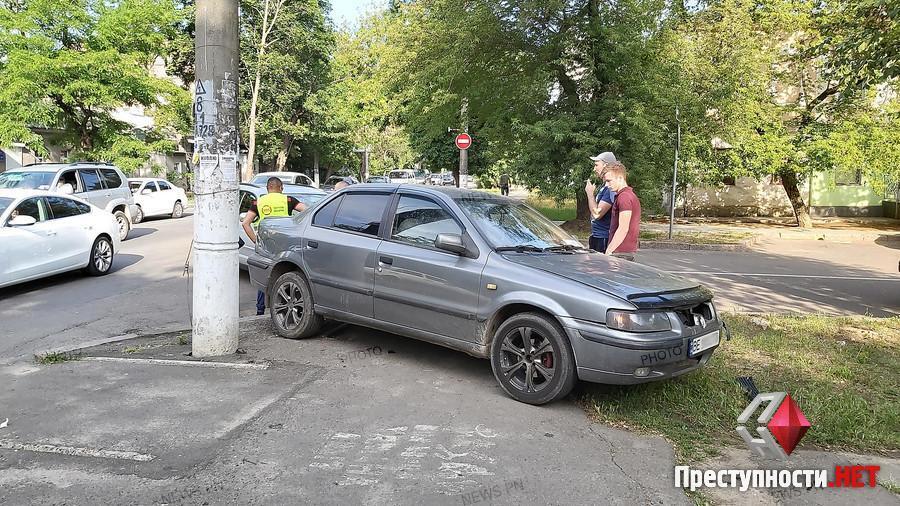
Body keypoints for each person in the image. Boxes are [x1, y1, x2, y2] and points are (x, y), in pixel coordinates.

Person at [241, 177, 308, 315]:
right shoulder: (288, 200)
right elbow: (307, 211)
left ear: (267, 188)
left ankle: (260, 310)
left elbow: (245, 223)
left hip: (265, 245)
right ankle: (285, 307)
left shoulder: (258, 202)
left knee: (263, 274)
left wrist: (256, 241)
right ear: (281, 187)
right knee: (285, 274)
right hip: (285, 244)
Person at [603, 162, 641, 260]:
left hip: (620, 253)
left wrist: (609, 251)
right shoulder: (628, 195)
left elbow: (623, 228)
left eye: (609, 181)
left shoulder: (624, 197)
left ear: (620, 178)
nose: (606, 185)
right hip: (624, 252)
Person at [584, 152, 618, 253]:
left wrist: (590, 194)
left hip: (603, 238)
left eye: (596, 165)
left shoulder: (610, 189)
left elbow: (597, 214)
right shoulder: (604, 187)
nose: (594, 169)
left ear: (606, 165)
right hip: (597, 236)